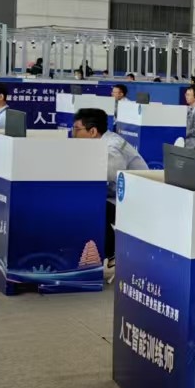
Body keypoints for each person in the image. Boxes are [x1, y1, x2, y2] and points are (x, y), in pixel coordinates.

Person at [73, 107, 146, 269]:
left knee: (92, 206)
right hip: (118, 196)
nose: (73, 134)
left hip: (134, 201)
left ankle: (114, 253)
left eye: (77, 129)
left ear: (92, 131)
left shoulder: (112, 148)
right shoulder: (100, 142)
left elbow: (106, 176)